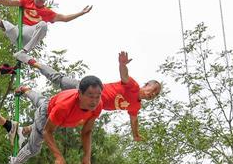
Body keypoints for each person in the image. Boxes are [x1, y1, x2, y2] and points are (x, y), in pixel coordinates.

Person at [16, 51, 162, 141]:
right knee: (59, 80)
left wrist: (135, 134)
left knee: (62, 118)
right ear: (146, 85)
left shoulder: (137, 106)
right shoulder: (133, 86)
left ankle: (27, 128)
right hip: (86, 89)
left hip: (87, 106)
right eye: (153, 89)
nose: (153, 94)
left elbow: (134, 120)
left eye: (155, 94)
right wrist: (122, 64)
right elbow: (124, 76)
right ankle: (31, 61)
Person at [9, 79, 102, 164]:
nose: (94, 101)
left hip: (52, 105)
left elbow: (87, 131)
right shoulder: (64, 107)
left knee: (40, 101)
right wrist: (58, 156)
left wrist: (87, 156)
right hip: (45, 116)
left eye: (98, 96)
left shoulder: (97, 106)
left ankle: (26, 90)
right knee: (34, 147)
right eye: (90, 96)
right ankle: (16, 161)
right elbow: (47, 132)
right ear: (80, 93)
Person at [0, 0, 92, 53]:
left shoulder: (47, 12)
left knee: (43, 24)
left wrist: (81, 13)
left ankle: (24, 51)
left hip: (31, 35)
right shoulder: (26, 1)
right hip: (19, 32)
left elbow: (64, 18)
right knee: (9, 26)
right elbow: (9, 2)